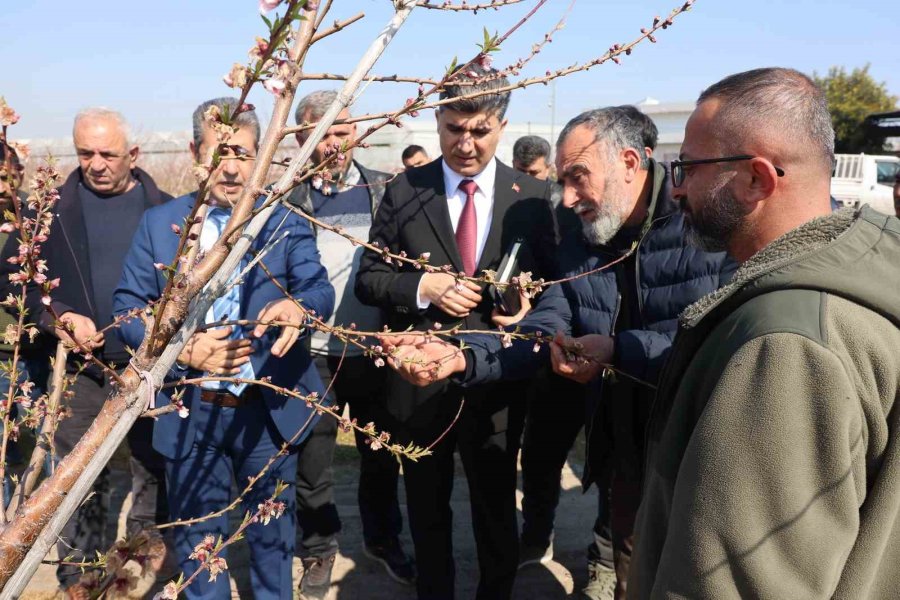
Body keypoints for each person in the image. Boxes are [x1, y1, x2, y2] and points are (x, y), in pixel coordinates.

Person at [378, 106, 733, 600]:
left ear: (630, 162)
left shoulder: (704, 225)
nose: (566, 198)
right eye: (562, 180)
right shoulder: (580, 230)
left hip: (698, 450)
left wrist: (617, 349)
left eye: (578, 179)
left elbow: (709, 339)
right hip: (624, 449)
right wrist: (460, 356)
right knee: (634, 563)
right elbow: (547, 322)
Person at [629, 67, 900, 598]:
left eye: (688, 167)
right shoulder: (862, 275)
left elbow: (739, 582)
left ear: (757, 179)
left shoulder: (785, 344)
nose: (677, 188)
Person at [113, 97, 335, 600]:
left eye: (244, 153)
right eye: (221, 152)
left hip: (267, 410)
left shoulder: (282, 221)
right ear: (196, 151)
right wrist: (183, 350)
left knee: (272, 549)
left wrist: (299, 309)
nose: (233, 168)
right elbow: (127, 308)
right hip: (192, 416)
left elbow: (319, 288)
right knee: (199, 556)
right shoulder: (160, 225)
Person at [355, 63, 558, 600]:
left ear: (502, 124)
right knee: (425, 503)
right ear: (437, 119)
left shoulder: (534, 198)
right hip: (419, 377)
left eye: (480, 130)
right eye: (453, 129)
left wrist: (523, 306)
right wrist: (424, 286)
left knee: (496, 504)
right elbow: (369, 280)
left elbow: (554, 287)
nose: (465, 144)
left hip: (498, 376)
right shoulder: (404, 191)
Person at [0, 108, 173, 597]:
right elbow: (20, 283)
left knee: (151, 474)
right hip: (78, 374)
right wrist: (60, 318)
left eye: (107, 153)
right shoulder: (46, 211)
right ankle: (79, 581)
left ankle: (137, 575)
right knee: (76, 482)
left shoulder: (170, 210)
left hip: (148, 371)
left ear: (133, 155)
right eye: (84, 153)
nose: (95, 163)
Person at [286, 89, 414, 597]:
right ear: (302, 137)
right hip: (311, 354)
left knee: (380, 455)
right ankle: (318, 550)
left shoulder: (386, 191)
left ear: (357, 133)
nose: (335, 143)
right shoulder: (288, 198)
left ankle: (383, 539)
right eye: (322, 133)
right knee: (311, 460)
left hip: (375, 350)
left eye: (343, 131)